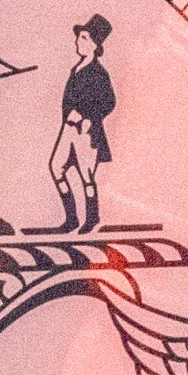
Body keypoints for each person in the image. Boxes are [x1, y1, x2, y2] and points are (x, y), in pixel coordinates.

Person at [47, 13, 117, 233]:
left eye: (84, 38)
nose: (78, 41)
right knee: (56, 168)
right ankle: (71, 219)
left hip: (86, 132)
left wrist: (88, 118)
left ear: (96, 45)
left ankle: (92, 219)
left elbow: (109, 102)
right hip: (68, 129)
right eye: (79, 38)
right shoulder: (76, 69)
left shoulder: (99, 72)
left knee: (86, 176)